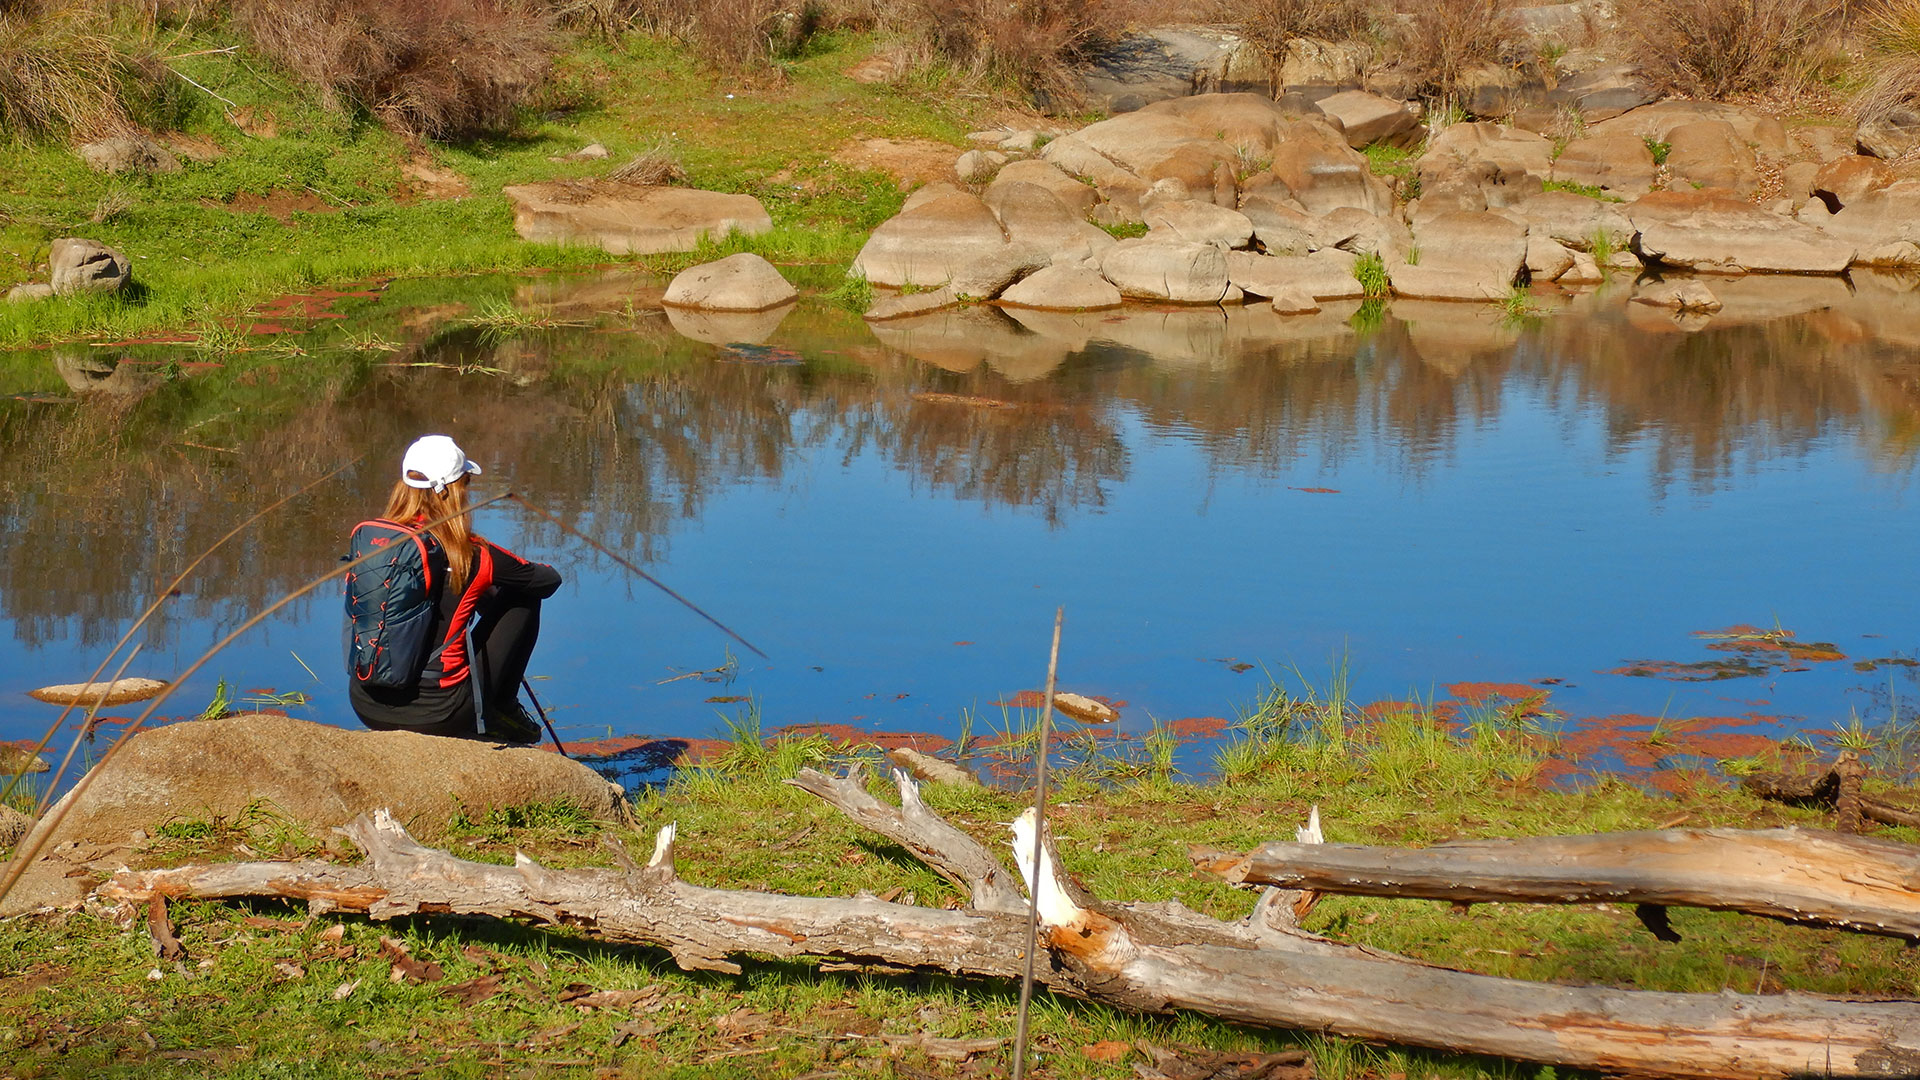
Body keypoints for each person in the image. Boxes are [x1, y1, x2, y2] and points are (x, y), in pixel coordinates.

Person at [347, 435, 561, 744]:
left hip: (366, 705)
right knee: (522, 598)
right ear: (452, 491)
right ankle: (503, 710)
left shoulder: (371, 543)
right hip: (439, 713)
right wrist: (488, 591)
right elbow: (545, 581)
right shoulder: (472, 554)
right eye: (466, 483)